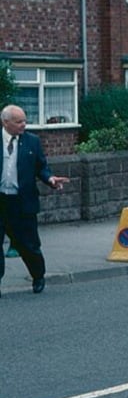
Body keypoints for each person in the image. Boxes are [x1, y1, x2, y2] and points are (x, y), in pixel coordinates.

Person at [0, 104, 70, 296]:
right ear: (5, 123)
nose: (24, 125)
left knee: (28, 245)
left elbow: (41, 167)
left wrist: (50, 179)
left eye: (24, 120)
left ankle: (38, 276)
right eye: (18, 121)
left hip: (21, 202)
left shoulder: (32, 142)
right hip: (0, 200)